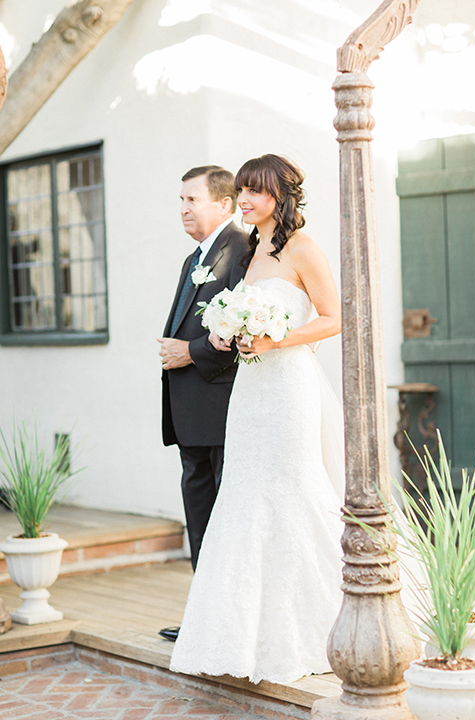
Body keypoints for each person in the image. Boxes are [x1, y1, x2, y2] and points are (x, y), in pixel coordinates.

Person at [169, 154, 346, 684]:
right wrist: (225, 333)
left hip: (289, 386)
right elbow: (235, 312)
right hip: (250, 389)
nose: (245, 199)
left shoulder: (302, 248)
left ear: (282, 197)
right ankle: (241, 632)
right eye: (242, 190)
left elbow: (334, 318)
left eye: (256, 192)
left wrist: (278, 339)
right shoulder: (248, 252)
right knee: (244, 496)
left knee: (294, 490)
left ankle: (329, 622)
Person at [157, 166, 248, 640]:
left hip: (220, 407)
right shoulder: (195, 257)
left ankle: (224, 620)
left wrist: (185, 352)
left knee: (222, 509)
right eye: (181, 199)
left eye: (192, 199)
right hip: (190, 410)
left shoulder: (240, 252)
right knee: (199, 508)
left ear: (224, 204)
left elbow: (241, 332)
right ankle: (205, 615)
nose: (183, 208)